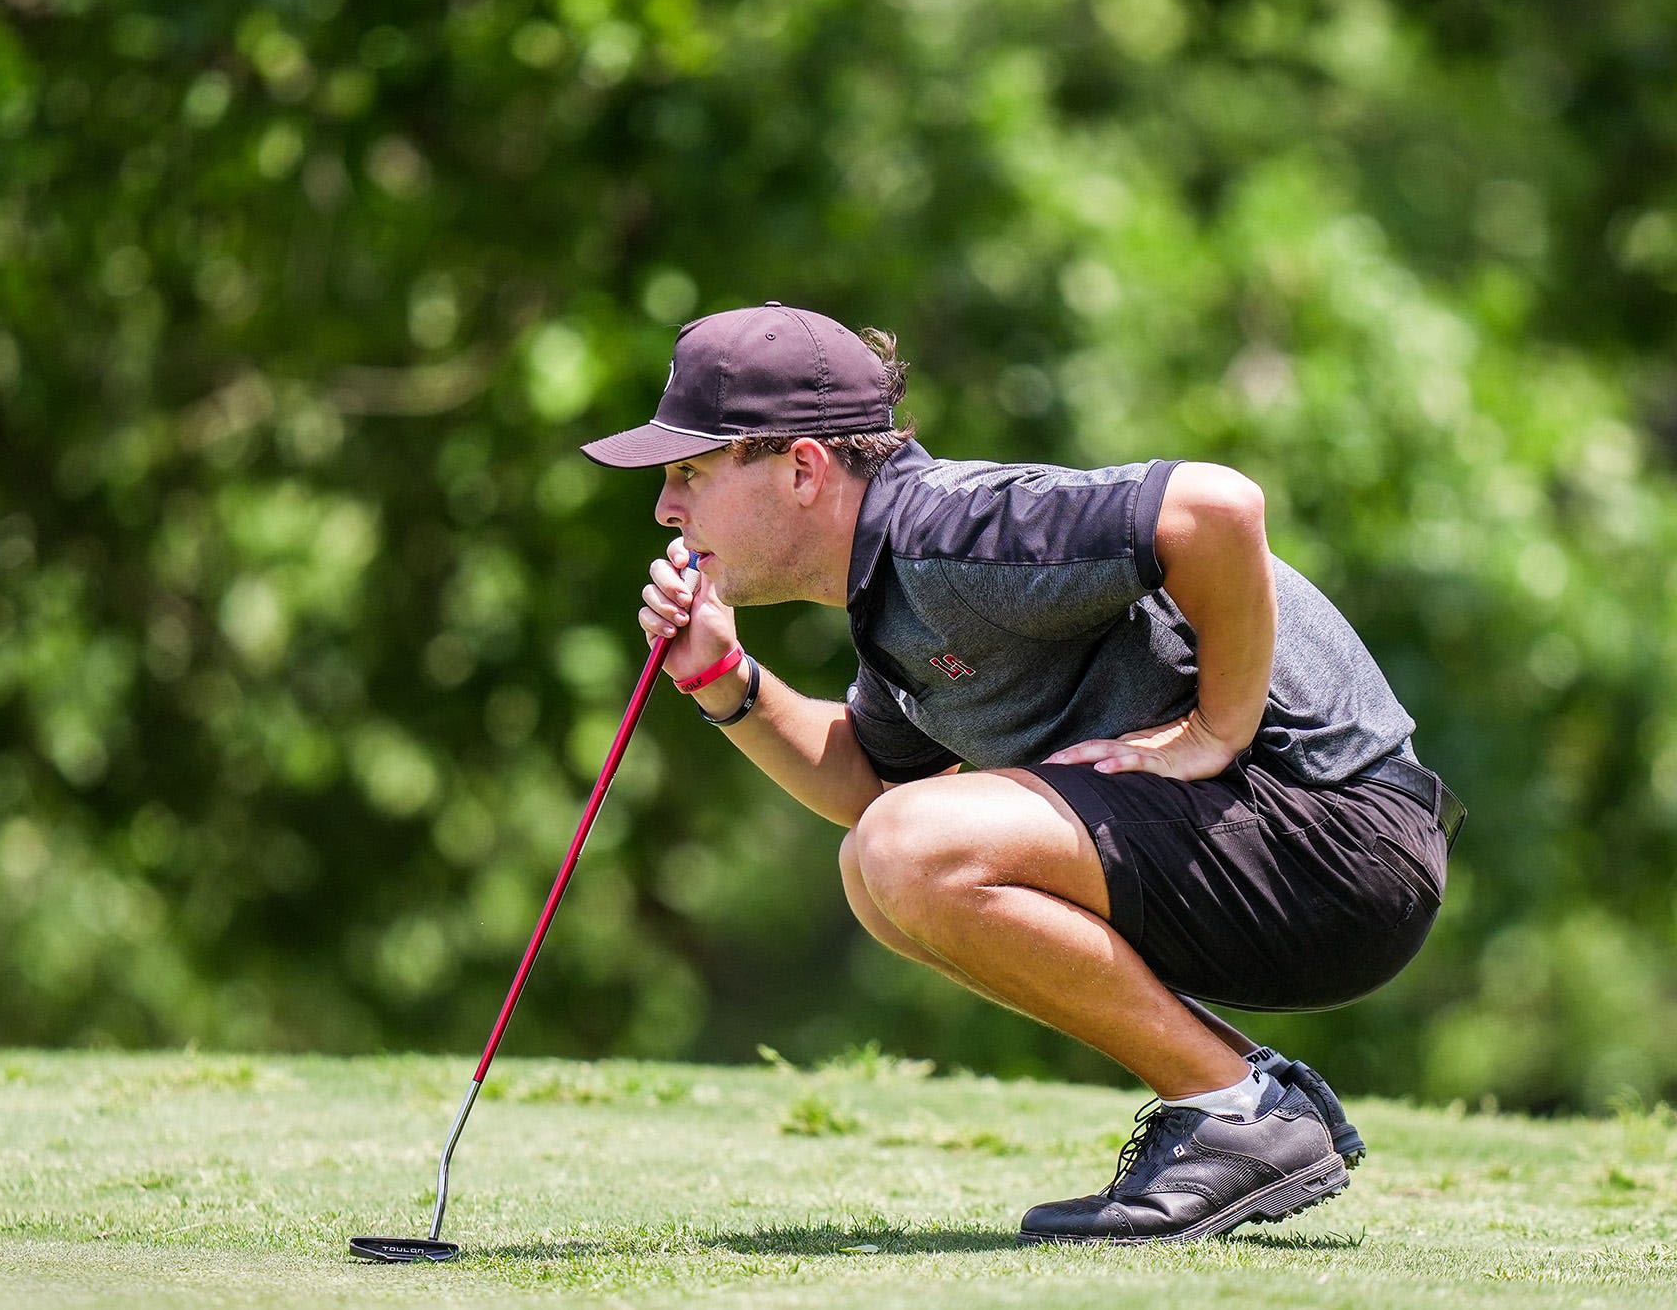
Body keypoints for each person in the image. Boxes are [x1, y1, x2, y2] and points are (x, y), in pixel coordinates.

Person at [579, 302, 1465, 1245]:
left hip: (1341, 842)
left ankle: (1238, 1112)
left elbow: (1217, 507)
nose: (667, 507)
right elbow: (871, 785)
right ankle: (1250, 1106)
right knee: (882, 874)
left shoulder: (957, 527)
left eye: (689, 473)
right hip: (1286, 856)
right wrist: (723, 681)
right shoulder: (893, 594)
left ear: (801, 467)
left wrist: (1216, 728)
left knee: (905, 854)